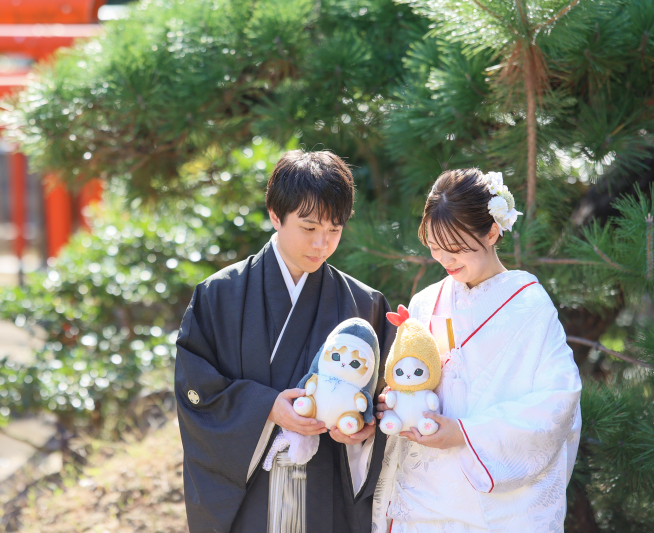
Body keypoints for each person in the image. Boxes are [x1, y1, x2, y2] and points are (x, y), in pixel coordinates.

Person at [175, 150, 394, 533]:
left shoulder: (363, 305)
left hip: (327, 494)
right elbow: (197, 390)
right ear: (276, 216)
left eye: (335, 230)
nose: (322, 244)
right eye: (309, 228)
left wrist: (363, 429)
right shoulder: (219, 296)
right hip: (250, 499)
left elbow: (384, 397)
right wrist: (266, 408)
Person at [371, 169, 582, 533]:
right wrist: (393, 403)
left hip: (493, 510)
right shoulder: (425, 302)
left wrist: (463, 433)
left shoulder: (529, 305)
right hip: (422, 504)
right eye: (435, 247)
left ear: (492, 231)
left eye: (455, 249)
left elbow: (558, 400)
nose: (444, 260)